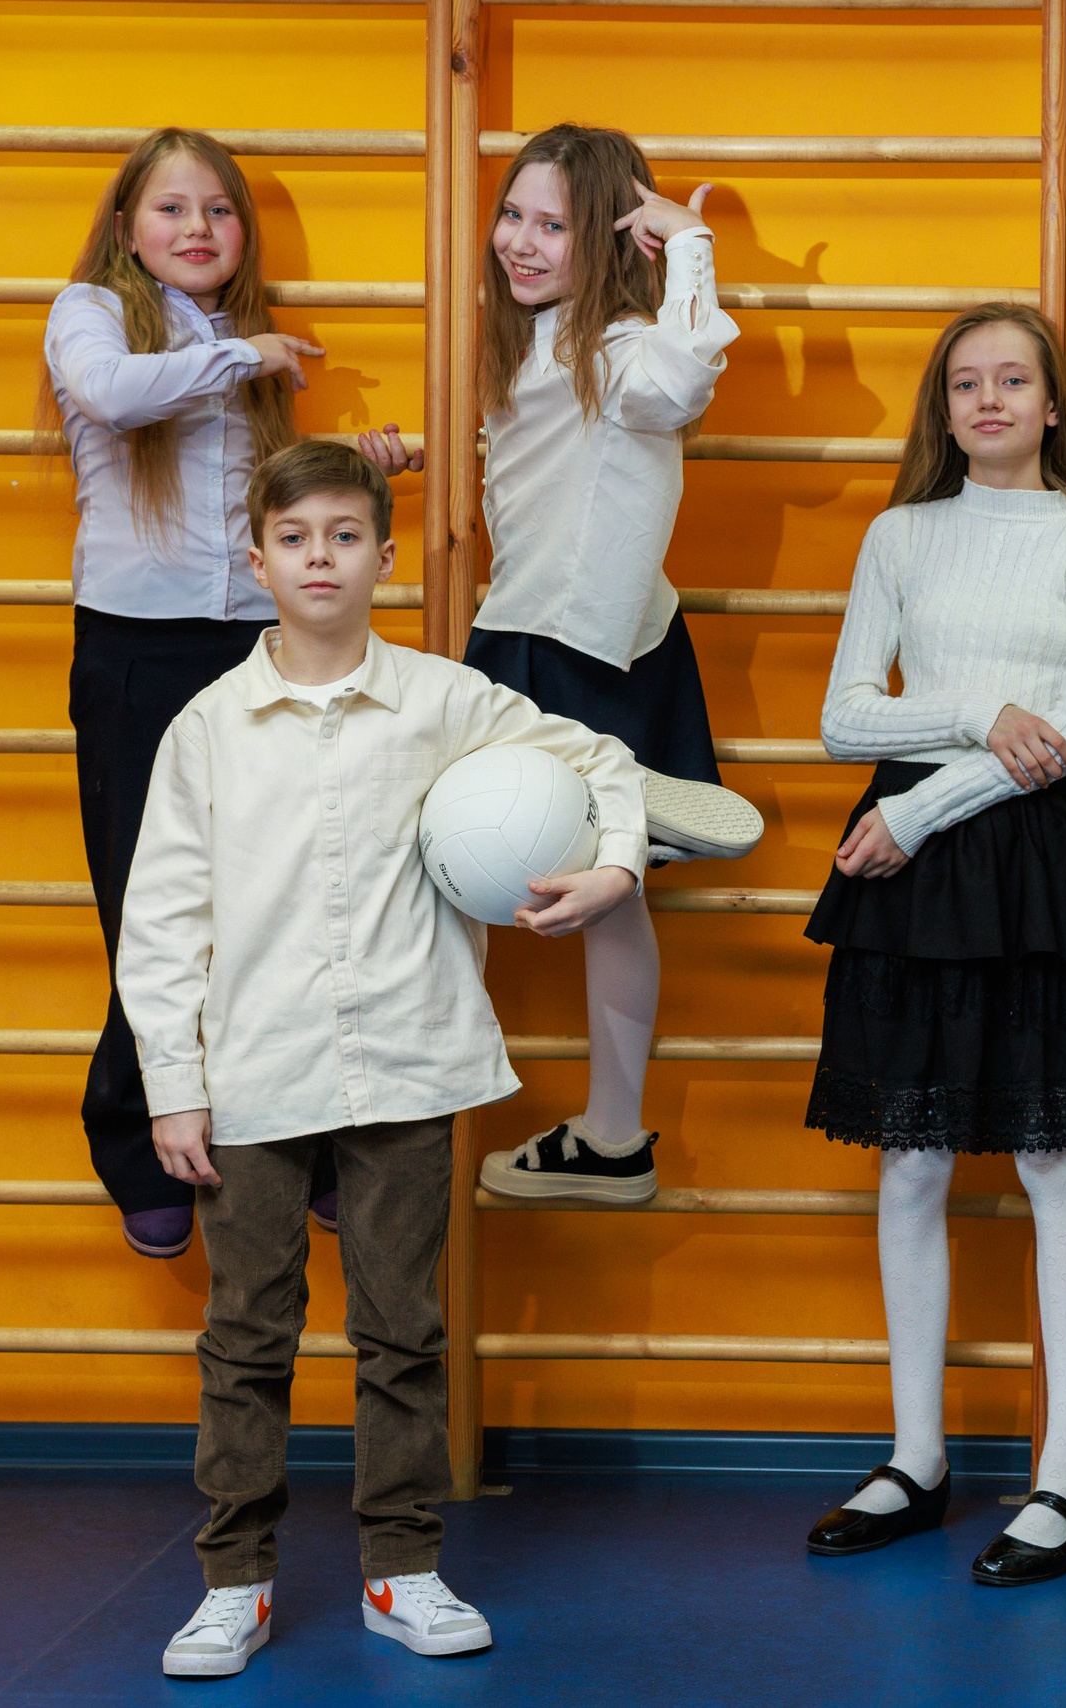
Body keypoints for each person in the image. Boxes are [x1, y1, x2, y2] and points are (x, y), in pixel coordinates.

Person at [123, 443, 655, 1675]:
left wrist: (614, 863)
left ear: (385, 555)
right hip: (253, 1075)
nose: (321, 555)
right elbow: (161, 919)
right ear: (257, 560)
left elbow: (602, 761)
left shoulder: (445, 699)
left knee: (401, 1331)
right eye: (296, 536)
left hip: (411, 1062)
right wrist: (174, 1083)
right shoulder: (206, 729)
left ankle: (401, 1567)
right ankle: (234, 1580)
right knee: (247, 1334)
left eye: (345, 534)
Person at [798, 305, 1066, 1586]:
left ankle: (1065, 1477)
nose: (990, 399)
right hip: (912, 870)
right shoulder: (901, 534)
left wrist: (916, 804)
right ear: (942, 410)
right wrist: (979, 715)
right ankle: (917, 1457)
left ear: (1053, 404)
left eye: (1015, 380)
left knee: (1057, 1159)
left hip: (1011, 855)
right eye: (965, 384)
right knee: (913, 1163)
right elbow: (846, 713)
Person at [363, 122, 762, 1207]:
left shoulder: (625, 349)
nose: (522, 243)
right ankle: (600, 1131)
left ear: (611, 242)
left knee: (563, 888)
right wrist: (418, 457)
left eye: (554, 225)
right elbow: (540, 457)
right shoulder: (533, 344)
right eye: (513, 216)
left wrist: (688, 244)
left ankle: (613, 1131)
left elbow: (679, 384)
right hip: (531, 629)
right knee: (480, 872)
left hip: (581, 645)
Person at [44, 126, 333, 1258]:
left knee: (277, 905)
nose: (199, 230)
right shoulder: (95, 315)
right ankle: (131, 1139)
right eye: (172, 210)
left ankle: (300, 1139)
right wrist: (245, 354)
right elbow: (113, 397)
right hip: (136, 651)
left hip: (258, 648)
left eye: (219, 211)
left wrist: (357, 450)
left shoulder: (241, 351)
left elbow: (258, 506)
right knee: (146, 908)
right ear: (127, 227)